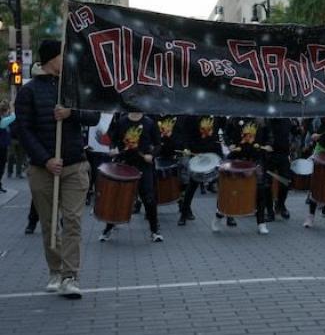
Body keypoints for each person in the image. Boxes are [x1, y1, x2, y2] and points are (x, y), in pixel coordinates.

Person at [14, 40, 100, 299]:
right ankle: (56, 269)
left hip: (75, 165)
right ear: (52, 59)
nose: (66, 59)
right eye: (62, 55)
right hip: (44, 169)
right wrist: (45, 159)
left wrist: (70, 112)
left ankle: (70, 276)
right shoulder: (28, 92)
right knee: (49, 222)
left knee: (72, 221)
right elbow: (23, 131)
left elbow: (94, 116)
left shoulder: (72, 87)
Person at [98, 112, 163, 242]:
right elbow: (113, 140)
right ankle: (109, 227)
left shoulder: (149, 123)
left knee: (149, 198)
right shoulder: (121, 122)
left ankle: (155, 230)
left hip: (144, 166)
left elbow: (158, 144)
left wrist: (152, 155)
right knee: (118, 197)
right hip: (124, 165)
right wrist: (113, 149)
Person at [214, 120, 271, 235]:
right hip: (236, 158)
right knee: (229, 190)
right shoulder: (236, 118)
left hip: (256, 159)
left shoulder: (262, 120)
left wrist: (268, 145)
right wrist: (230, 143)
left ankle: (261, 223)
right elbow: (225, 133)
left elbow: (269, 136)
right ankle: (218, 217)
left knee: (260, 191)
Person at [178, 115, 225, 226]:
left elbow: (222, 129)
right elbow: (185, 134)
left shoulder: (216, 113)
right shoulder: (191, 115)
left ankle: (226, 214)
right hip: (197, 152)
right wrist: (186, 147)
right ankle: (184, 214)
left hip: (214, 152)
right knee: (192, 185)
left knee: (223, 186)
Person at [0, 99, 16, 193]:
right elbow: (13, 117)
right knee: (1, 167)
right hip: (1, 147)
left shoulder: (2, 120)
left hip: (3, 146)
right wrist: (12, 108)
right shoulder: (2, 121)